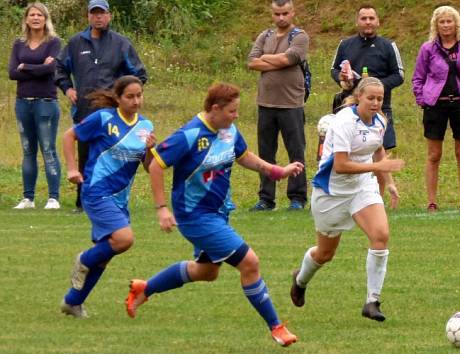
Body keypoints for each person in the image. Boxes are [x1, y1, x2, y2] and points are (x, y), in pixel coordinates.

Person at [125, 83, 301, 347]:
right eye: (231, 111)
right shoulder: (189, 134)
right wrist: (162, 208)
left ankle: (144, 288)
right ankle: (276, 327)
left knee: (206, 272)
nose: (236, 116)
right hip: (195, 217)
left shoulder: (228, 130)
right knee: (250, 262)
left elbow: (244, 156)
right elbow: (156, 166)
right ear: (215, 109)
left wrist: (276, 171)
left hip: (218, 214)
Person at [290, 77, 405, 322]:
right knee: (324, 254)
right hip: (332, 192)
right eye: (371, 98)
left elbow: (377, 150)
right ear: (359, 97)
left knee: (381, 235)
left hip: (362, 187)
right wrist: (380, 166)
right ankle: (300, 279)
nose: (376, 103)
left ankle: (372, 301)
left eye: (380, 98)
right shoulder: (344, 122)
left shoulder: (380, 121)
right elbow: (340, 166)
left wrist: (389, 181)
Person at [59, 75, 155, 318]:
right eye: (130, 96)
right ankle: (83, 259)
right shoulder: (104, 118)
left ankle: (72, 302)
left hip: (120, 199)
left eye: (139, 95)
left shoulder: (146, 126)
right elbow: (69, 136)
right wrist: (72, 169)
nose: (136, 101)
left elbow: (148, 166)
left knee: (105, 254)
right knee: (124, 239)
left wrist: (150, 149)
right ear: (118, 98)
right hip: (96, 192)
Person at [56, 0, 147, 212]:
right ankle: (82, 202)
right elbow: (59, 67)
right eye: (94, 13)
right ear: (88, 16)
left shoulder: (121, 43)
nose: (98, 17)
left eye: (102, 13)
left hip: (113, 113)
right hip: (85, 110)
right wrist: (68, 88)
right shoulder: (76, 42)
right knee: (86, 156)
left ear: (110, 15)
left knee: (111, 157)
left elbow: (139, 73)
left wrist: (122, 95)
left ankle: (113, 200)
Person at [412, 5, 460, 212]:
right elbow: (418, 77)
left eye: (449, 21)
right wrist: (421, 98)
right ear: (436, 24)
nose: (445, 25)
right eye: (441, 21)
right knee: (434, 155)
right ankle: (432, 201)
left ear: (456, 23)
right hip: (436, 104)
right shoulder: (428, 48)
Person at [247, 0, 309, 211]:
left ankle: (297, 197)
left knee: (296, 152)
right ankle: (266, 198)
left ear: (292, 13)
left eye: (284, 13)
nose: (281, 17)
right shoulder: (265, 36)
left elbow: (289, 58)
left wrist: (266, 58)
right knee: (265, 153)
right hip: (265, 103)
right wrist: (275, 60)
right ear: (272, 14)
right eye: (277, 14)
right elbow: (252, 62)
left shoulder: (300, 36)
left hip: (291, 104)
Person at [9, 3, 62, 210]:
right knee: (28, 151)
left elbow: (51, 70)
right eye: (32, 14)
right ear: (26, 19)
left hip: (46, 103)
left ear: (45, 18)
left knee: (48, 149)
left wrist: (26, 67)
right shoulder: (18, 44)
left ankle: (53, 198)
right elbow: (12, 73)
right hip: (23, 103)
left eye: (40, 14)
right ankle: (28, 198)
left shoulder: (54, 42)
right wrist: (38, 67)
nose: (36, 18)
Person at [330, 4, 404, 151]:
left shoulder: (388, 45)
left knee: (380, 151)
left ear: (378, 22)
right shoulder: (345, 44)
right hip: (350, 106)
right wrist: (342, 77)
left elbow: (399, 75)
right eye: (364, 18)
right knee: (350, 149)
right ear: (357, 22)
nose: (368, 21)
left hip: (380, 106)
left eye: (371, 18)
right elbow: (334, 69)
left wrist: (374, 87)